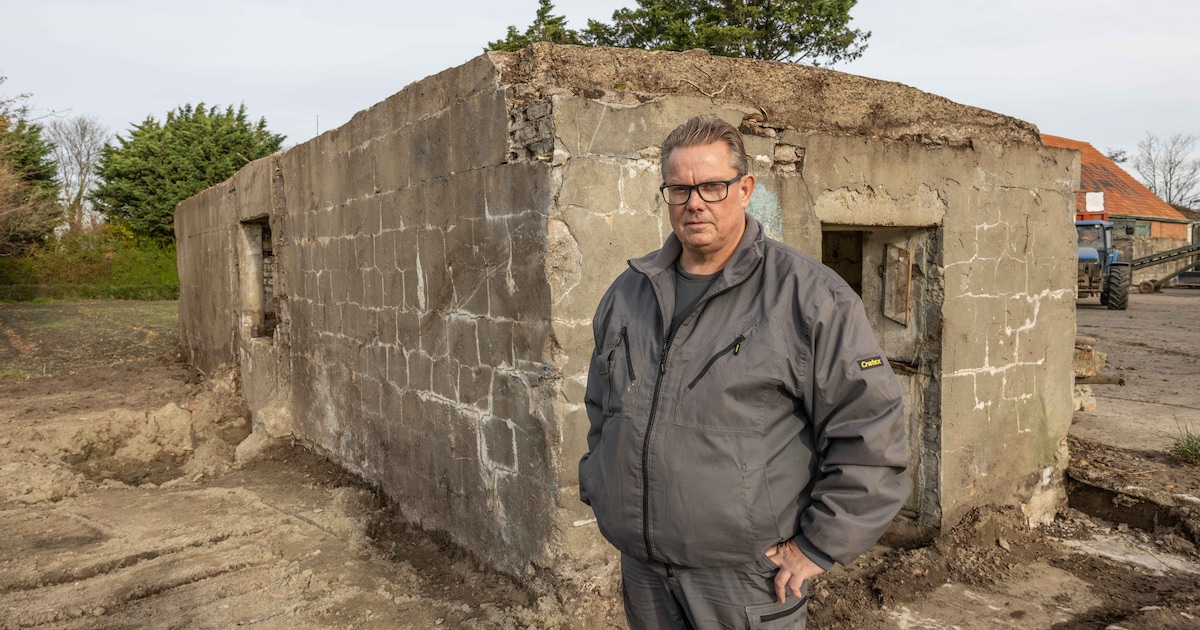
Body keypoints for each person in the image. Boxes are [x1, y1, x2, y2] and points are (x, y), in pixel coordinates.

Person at [579, 115, 909, 629]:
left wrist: (819, 546)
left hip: (746, 579)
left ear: (745, 188)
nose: (695, 203)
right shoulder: (629, 292)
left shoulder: (810, 298)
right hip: (643, 572)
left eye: (712, 186)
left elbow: (872, 430)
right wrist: (599, 484)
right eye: (680, 189)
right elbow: (603, 407)